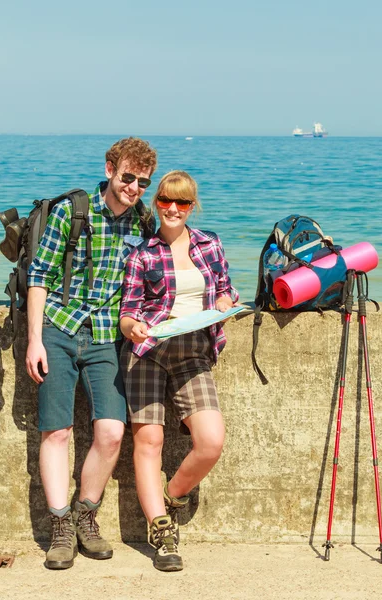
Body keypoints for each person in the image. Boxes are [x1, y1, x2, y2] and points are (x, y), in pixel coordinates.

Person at [25, 137, 158, 570]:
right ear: (109, 169)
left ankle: (86, 514)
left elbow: (153, 280)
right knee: (57, 432)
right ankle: (60, 526)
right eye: (127, 177)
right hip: (59, 330)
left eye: (142, 181)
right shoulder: (72, 212)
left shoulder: (143, 222)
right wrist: (34, 340)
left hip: (106, 338)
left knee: (112, 433)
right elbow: (39, 275)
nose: (134, 187)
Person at [119, 170, 239, 572]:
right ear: (156, 203)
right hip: (149, 350)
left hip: (194, 352)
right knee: (149, 440)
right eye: (166, 201)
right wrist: (132, 328)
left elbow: (226, 288)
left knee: (211, 441)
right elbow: (127, 313)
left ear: (192, 206)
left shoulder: (210, 244)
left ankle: (172, 495)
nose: (173, 209)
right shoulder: (142, 253)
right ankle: (161, 529)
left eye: (182, 203)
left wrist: (225, 300)